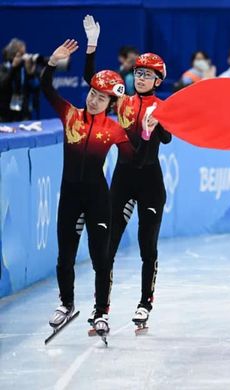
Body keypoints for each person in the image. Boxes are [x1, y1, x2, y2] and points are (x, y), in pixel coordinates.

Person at [83, 15, 172, 330]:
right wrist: (92, 46)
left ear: (158, 80)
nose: (141, 78)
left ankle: (145, 304)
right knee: (107, 246)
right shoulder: (121, 103)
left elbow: (161, 142)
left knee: (147, 245)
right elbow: (93, 82)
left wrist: (154, 126)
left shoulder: (162, 108)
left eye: (147, 75)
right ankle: (100, 309)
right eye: (138, 73)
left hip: (149, 182)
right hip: (121, 180)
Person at [42, 39, 132, 337]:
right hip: (70, 195)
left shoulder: (115, 129)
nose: (94, 100)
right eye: (92, 93)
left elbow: (137, 159)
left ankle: (101, 312)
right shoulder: (69, 114)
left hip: (97, 198)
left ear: (110, 103)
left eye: (101, 98)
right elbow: (46, 89)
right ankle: (66, 303)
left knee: (100, 258)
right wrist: (52, 63)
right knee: (65, 255)